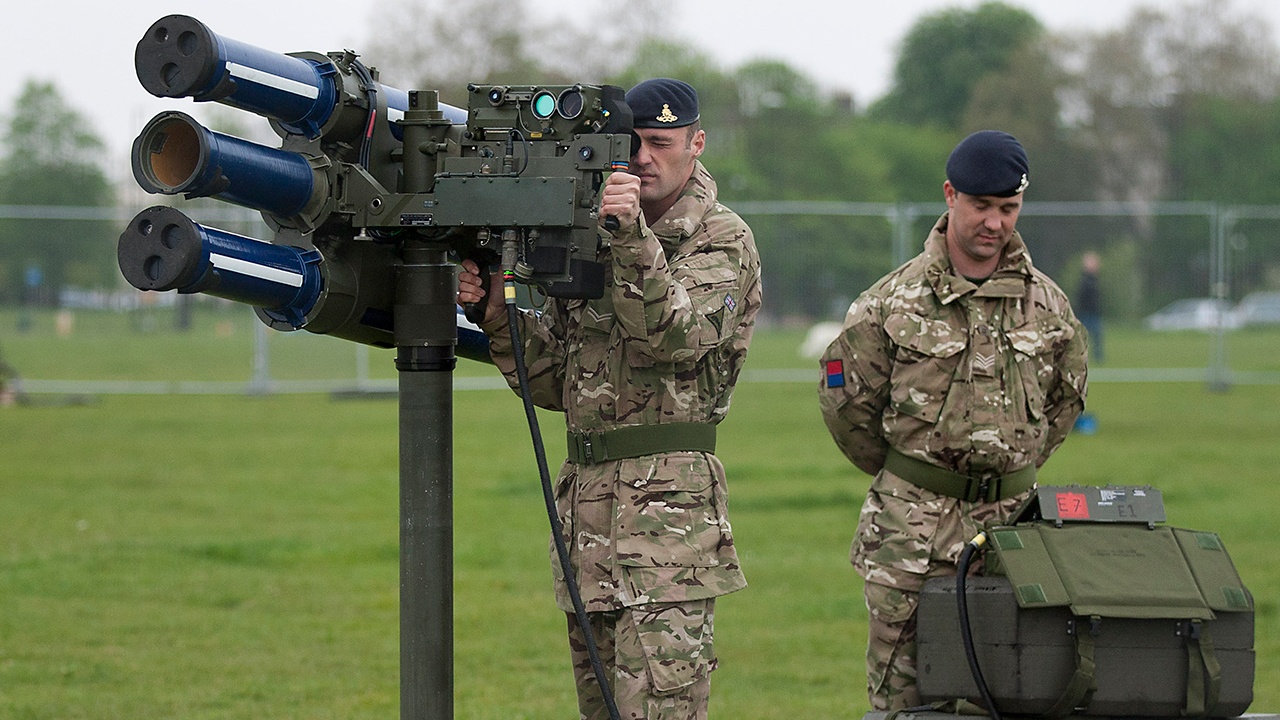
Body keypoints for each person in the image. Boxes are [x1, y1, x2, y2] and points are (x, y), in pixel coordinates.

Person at [457, 78, 761, 720]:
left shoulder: (721, 239)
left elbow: (675, 337)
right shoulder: (592, 232)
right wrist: (493, 314)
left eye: (661, 142)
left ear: (696, 144)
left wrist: (626, 239)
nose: (644, 157)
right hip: (587, 524)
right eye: (631, 144)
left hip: (668, 532)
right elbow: (563, 383)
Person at [817, 130, 1088, 711]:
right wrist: (917, 476)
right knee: (906, 702)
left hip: (1016, 532)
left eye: (1008, 209)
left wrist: (1009, 465)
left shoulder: (1049, 305)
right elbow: (847, 409)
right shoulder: (890, 303)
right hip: (911, 535)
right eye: (982, 206)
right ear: (950, 196)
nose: (994, 223)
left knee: (1017, 691)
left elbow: (1065, 401)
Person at [1076, 251, 1104, 364]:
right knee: (1083, 337)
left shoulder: (1093, 280)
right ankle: (1080, 355)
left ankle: (1098, 357)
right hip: (1086, 313)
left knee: (1097, 336)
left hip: (1094, 312)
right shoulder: (1085, 281)